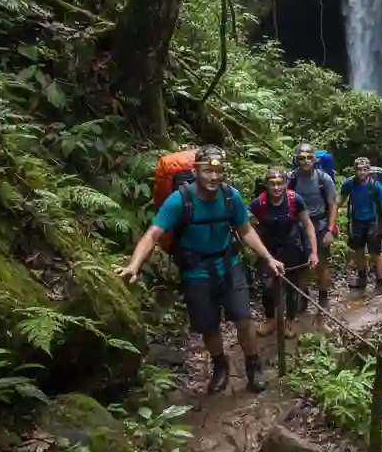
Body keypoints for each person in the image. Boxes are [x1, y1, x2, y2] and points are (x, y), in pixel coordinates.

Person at [116, 145, 284, 395]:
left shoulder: (230, 196)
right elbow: (153, 234)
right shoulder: (179, 201)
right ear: (195, 171)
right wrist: (134, 265)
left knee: (243, 318)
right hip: (195, 270)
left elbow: (245, 230)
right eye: (207, 171)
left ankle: (253, 365)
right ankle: (220, 366)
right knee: (209, 325)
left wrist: (268, 258)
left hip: (229, 264)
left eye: (218, 171)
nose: (214, 177)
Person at [249, 167, 319, 333]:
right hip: (269, 249)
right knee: (267, 286)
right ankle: (270, 320)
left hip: (291, 247)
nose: (276, 187)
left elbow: (308, 225)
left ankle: (291, 320)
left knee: (292, 285)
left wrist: (313, 251)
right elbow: (245, 225)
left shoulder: (295, 200)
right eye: (272, 183)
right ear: (266, 184)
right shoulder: (259, 203)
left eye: (280, 183)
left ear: (286, 184)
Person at [287, 143, 337, 310]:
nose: (306, 161)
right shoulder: (291, 179)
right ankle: (303, 296)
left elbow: (332, 204)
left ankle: (323, 297)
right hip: (298, 226)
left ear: (315, 159)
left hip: (320, 224)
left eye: (309, 157)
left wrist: (330, 230)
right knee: (301, 264)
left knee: (321, 264)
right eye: (302, 158)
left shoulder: (324, 179)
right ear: (297, 160)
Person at [337, 156, 382, 293]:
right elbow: (339, 201)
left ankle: (379, 282)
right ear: (354, 171)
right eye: (359, 170)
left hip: (373, 222)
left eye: (365, 169)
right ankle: (362, 278)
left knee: (375, 253)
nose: (362, 172)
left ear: (369, 171)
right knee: (359, 251)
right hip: (357, 222)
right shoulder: (349, 184)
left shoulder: (376, 186)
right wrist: (331, 216)